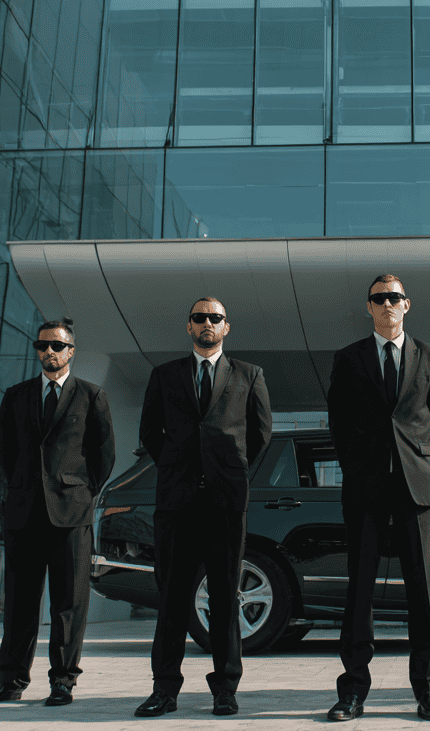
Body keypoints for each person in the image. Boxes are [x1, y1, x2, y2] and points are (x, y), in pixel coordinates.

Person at [134, 297, 272, 717]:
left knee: (225, 595)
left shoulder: (250, 375)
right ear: (189, 326)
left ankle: (225, 690)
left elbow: (260, 434)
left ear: (226, 327)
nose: (207, 323)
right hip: (176, 503)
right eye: (200, 318)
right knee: (172, 596)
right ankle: (164, 690)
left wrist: (229, 472)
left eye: (215, 318)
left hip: (224, 503)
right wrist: (179, 468)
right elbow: (150, 433)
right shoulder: (165, 375)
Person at [325, 274, 430, 722]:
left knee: (422, 590)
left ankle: (427, 691)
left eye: (394, 297)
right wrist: (359, 465)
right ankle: (353, 691)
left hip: (416, 486)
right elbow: (337, 422)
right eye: (379, 299)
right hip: (365, 486)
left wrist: (415, 460)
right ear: (369, 307)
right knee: (359, 591)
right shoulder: (348, 358)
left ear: (407, 304)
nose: (387, 304)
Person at [0, 318, 115, 707]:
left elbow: (103, 457)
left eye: (56, 345)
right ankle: (11, 681)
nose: (48, 351)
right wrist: (21, 489)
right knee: (19, 602)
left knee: (68, 602)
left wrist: (81, 495)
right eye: (42, 345)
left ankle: (63, 682)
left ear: (71, 351)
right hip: (24, 514)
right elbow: (6, 453)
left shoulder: (91, 395)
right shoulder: (15, 396)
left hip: (71, 515)